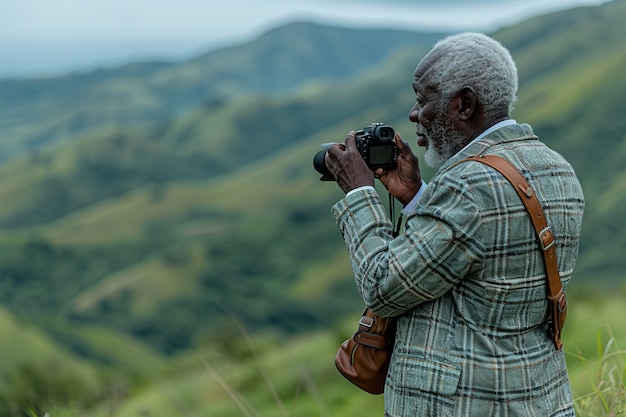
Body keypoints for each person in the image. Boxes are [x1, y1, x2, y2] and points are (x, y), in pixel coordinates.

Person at [324, 32, 585, 416]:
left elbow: (381, 287)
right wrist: (417, 198)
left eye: (423, 99)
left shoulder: (466, 184)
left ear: (464, 104)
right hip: (541, 400)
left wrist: (359, 194)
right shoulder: (557, 168)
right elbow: (485, 256)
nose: (414, 114)